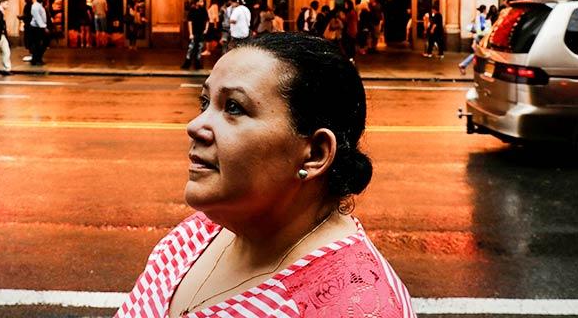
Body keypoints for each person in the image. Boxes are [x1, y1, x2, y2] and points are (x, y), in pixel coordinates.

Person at [114, 32, 415, 318]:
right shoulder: (195, 236)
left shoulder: (356, 305)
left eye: (233, 107)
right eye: (205, 103)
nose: (195, 126)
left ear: (315, 154)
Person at [458, 5, 489, 74]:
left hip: (477, 37)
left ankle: (463, 65)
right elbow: (482, 27)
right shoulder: (482, 17)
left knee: (478, 53)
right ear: (484, 10)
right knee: (480, 54)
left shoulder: (478, 17)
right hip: (480, 38)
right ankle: (463, 65)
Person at [181, 0, 209, 70]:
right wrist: (190, 33)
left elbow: (207, 20)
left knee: (199, 48)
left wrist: (206, 29)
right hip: (194, 32)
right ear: (197, 2)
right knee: (191, 47)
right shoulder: (192, 10)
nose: (202, 3)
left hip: (201, 32)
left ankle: (197, 63)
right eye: (200, 1)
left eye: (202, 1)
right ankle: (187, 63)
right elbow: (189, 22)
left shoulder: (203, 10)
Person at [29, 0, 49, 66]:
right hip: (36, 28)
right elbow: (38, 18)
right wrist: (44, 27)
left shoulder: (40, 6)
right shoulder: (35, 6)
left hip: (40, 27)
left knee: (41, 44)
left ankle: (37, 58)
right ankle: (36, 59)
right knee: (37, 44)